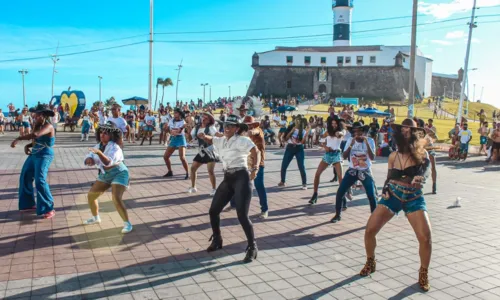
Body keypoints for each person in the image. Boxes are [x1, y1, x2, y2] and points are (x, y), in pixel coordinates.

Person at [360, 118, 432, 292]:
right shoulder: (393, 156)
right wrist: (385, 189)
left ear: (416, 134)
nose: (406, 132)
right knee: (370, 230)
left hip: (413, 198)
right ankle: (370, 261)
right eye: (403, 130)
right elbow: (389, 177)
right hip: (392, 195)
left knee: (426, 238)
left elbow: (426, 170)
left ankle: (423, 272)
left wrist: (421, 178)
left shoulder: (422, 154)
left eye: (410, 130)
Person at [197, 115, 259, 263]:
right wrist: (202, 135)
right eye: (225, 125)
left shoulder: (242, 140)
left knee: (242, 215)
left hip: (241, 177)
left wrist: (255, 168)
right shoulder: (221, 140)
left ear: (237, 128)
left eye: (230, 126)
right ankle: (217, 239)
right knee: (213, 211)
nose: (227, 128)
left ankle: (252, 247)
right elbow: (210, 139)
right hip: (228, 178)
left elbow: (255, 151)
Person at [83, 122, 133, 234]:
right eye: (101, 132)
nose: (102, 135)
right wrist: (88, 160)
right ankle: (96, 218)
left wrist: (99, 153)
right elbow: (89, 155)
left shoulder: (115, 147)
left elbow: (108, 162)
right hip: (105, 174)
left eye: (105, 133)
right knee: (91, 195)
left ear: (111, 136)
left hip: (119, 172)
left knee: (116, 197)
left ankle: (127, 223)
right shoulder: (98, 146)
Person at [11, 104, 56, 219]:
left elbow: (36, 135)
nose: (35, 116)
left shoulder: (48, 126)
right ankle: (28, 204)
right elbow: (36, 140)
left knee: (40, 180)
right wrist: (28, 145)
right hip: (34, 154)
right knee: (25, 175)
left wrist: (19, 139)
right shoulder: (37, 124)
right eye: (35, 114)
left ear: (44, 115)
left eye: (38, 114)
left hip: (44, 155)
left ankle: (49, 207)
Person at [331, 122, 377, 223]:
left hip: (365, 171)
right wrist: (351, 145)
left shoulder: (370, 140)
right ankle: (337, 215)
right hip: (352, 170)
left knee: (371, 195)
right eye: (355, 132)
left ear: (364, 132)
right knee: (340, 192)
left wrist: (367, 143)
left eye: (360, 132)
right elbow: (344, 156)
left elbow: (372, 157)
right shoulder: (350, 140)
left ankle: (374, 219)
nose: (357, 134)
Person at [309, 116, 346, 205]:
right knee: (317, 174)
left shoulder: (341, 131)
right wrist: (325, 147)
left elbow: (340, 134)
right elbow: (321, 141)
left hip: (336, 154)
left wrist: (338, 133)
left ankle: (343, 198)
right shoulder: (328, 132)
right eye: (332, 123)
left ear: (338, 124)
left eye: (335, 123)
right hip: (328, 155)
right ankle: (315, 194)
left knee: (340, 177)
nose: (333, 125)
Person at [243, 116, 269, 219]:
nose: (247, 127)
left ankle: (264, 210)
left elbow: (254, 132)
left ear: (253, 125)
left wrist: (249, 132)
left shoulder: (258, 130)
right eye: (246, 125)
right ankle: (235, 204)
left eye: (249, 125)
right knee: (240, 185)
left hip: (258, 164)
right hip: (247, 162)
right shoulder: (244, 133)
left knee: (259, 186)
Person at [188, 112, 218, 196]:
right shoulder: (196, 128)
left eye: (206, 118)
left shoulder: (211, 128)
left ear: (209, 121)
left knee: (210, 171)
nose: (203, 119)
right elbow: (192, 138)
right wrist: (188, 131)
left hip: (210, 150)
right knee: (193, 168)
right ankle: (193, 187)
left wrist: (223, 135)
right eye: (203, 117)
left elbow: (216, 135)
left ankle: (214, 189)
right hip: (201, 151)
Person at [278, 116, 308, 190]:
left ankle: (304, 183)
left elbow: (303, 142)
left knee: (301, 166)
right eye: (296, 121)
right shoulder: (290, 128)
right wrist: (292, 131)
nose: (297, 122)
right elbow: (285, 139)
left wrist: (307, 133)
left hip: (299, 149)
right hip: (290, 148)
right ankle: (282, 181)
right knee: (284, 165)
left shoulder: (303, 130)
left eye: (299, 121)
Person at [164, 108, 189, 179]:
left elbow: (178, 132)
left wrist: (177, 130)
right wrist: (166, 128)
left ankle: (188, 173)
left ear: (180, 114)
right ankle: (170, 171)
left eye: (176, 113)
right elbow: (169, 131)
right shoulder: (171, 120)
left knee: (182, 158)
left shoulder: (183, 122)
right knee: (165, 157)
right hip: (174, 139)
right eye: (174, 113)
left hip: (181, 139)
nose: (174, 114)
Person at [422, 119, 438, 194]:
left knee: (433, 167)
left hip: (430, 149)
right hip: (423, 150)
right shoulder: (416, 132)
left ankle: (434, 185)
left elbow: (435, 137)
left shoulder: (427, 130)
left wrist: (429, 131)